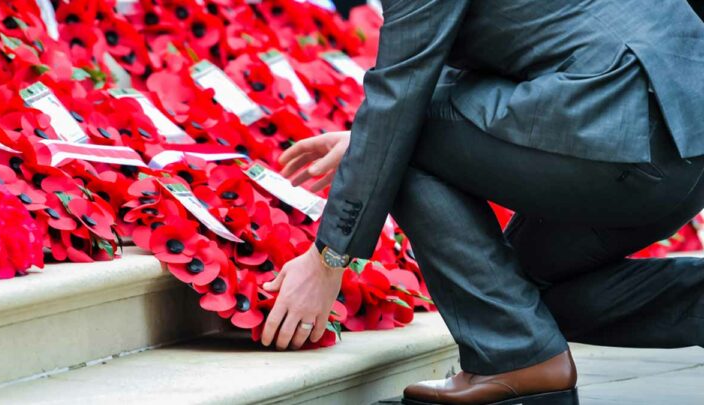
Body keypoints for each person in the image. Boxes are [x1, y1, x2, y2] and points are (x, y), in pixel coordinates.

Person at [260, 1, 704, 404]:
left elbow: (403, 96)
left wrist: (328, 260)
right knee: (520, 293)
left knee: (405, 136)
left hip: (622, 119)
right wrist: (367, 145)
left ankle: (512, 353)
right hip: (684, 133)